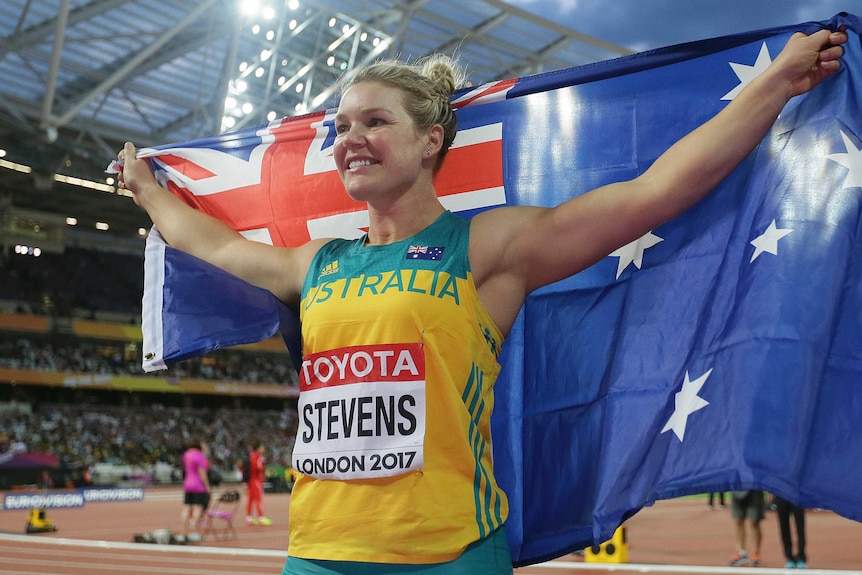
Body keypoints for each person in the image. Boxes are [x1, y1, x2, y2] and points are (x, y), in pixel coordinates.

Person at [118, 27, 847, 575]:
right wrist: (148, 188)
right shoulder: (315, 263)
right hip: (318, 551)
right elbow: (207, 242)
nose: (350, 139)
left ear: (432, 138)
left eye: (375, 121)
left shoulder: (488, 248)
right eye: (340, 127)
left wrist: (773, 85)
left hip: (450, 551)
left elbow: (653, 192)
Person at [180, 438, 211, 539]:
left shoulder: (187, 454)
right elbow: (201, 472)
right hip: (198, 485)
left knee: (186, 508)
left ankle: (183, 532)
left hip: (188, 483)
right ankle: (195, 531)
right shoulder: (200, 455)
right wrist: (207, 486)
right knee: (197, 508)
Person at [729, 490, 765, 566]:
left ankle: (756, 553)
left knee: (754, 521)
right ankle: (740, 552)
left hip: (754, 488)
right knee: (739, 520)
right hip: (737, 489)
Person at [773, 494, 807, 569]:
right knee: (783, 527)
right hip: (781, 495)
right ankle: (789, 557)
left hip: (797, 496)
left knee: (800, 527)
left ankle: (801, 556)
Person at [246, 440, 272, 526]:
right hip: (256, 480)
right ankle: (261, 517)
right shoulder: (257, 456)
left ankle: (249, 518)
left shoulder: (251, 455)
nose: (263, 449)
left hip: (251, 480)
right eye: (262, 447)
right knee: (258, 499)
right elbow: (258, 467)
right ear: (258, 448)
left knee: (251, 499)